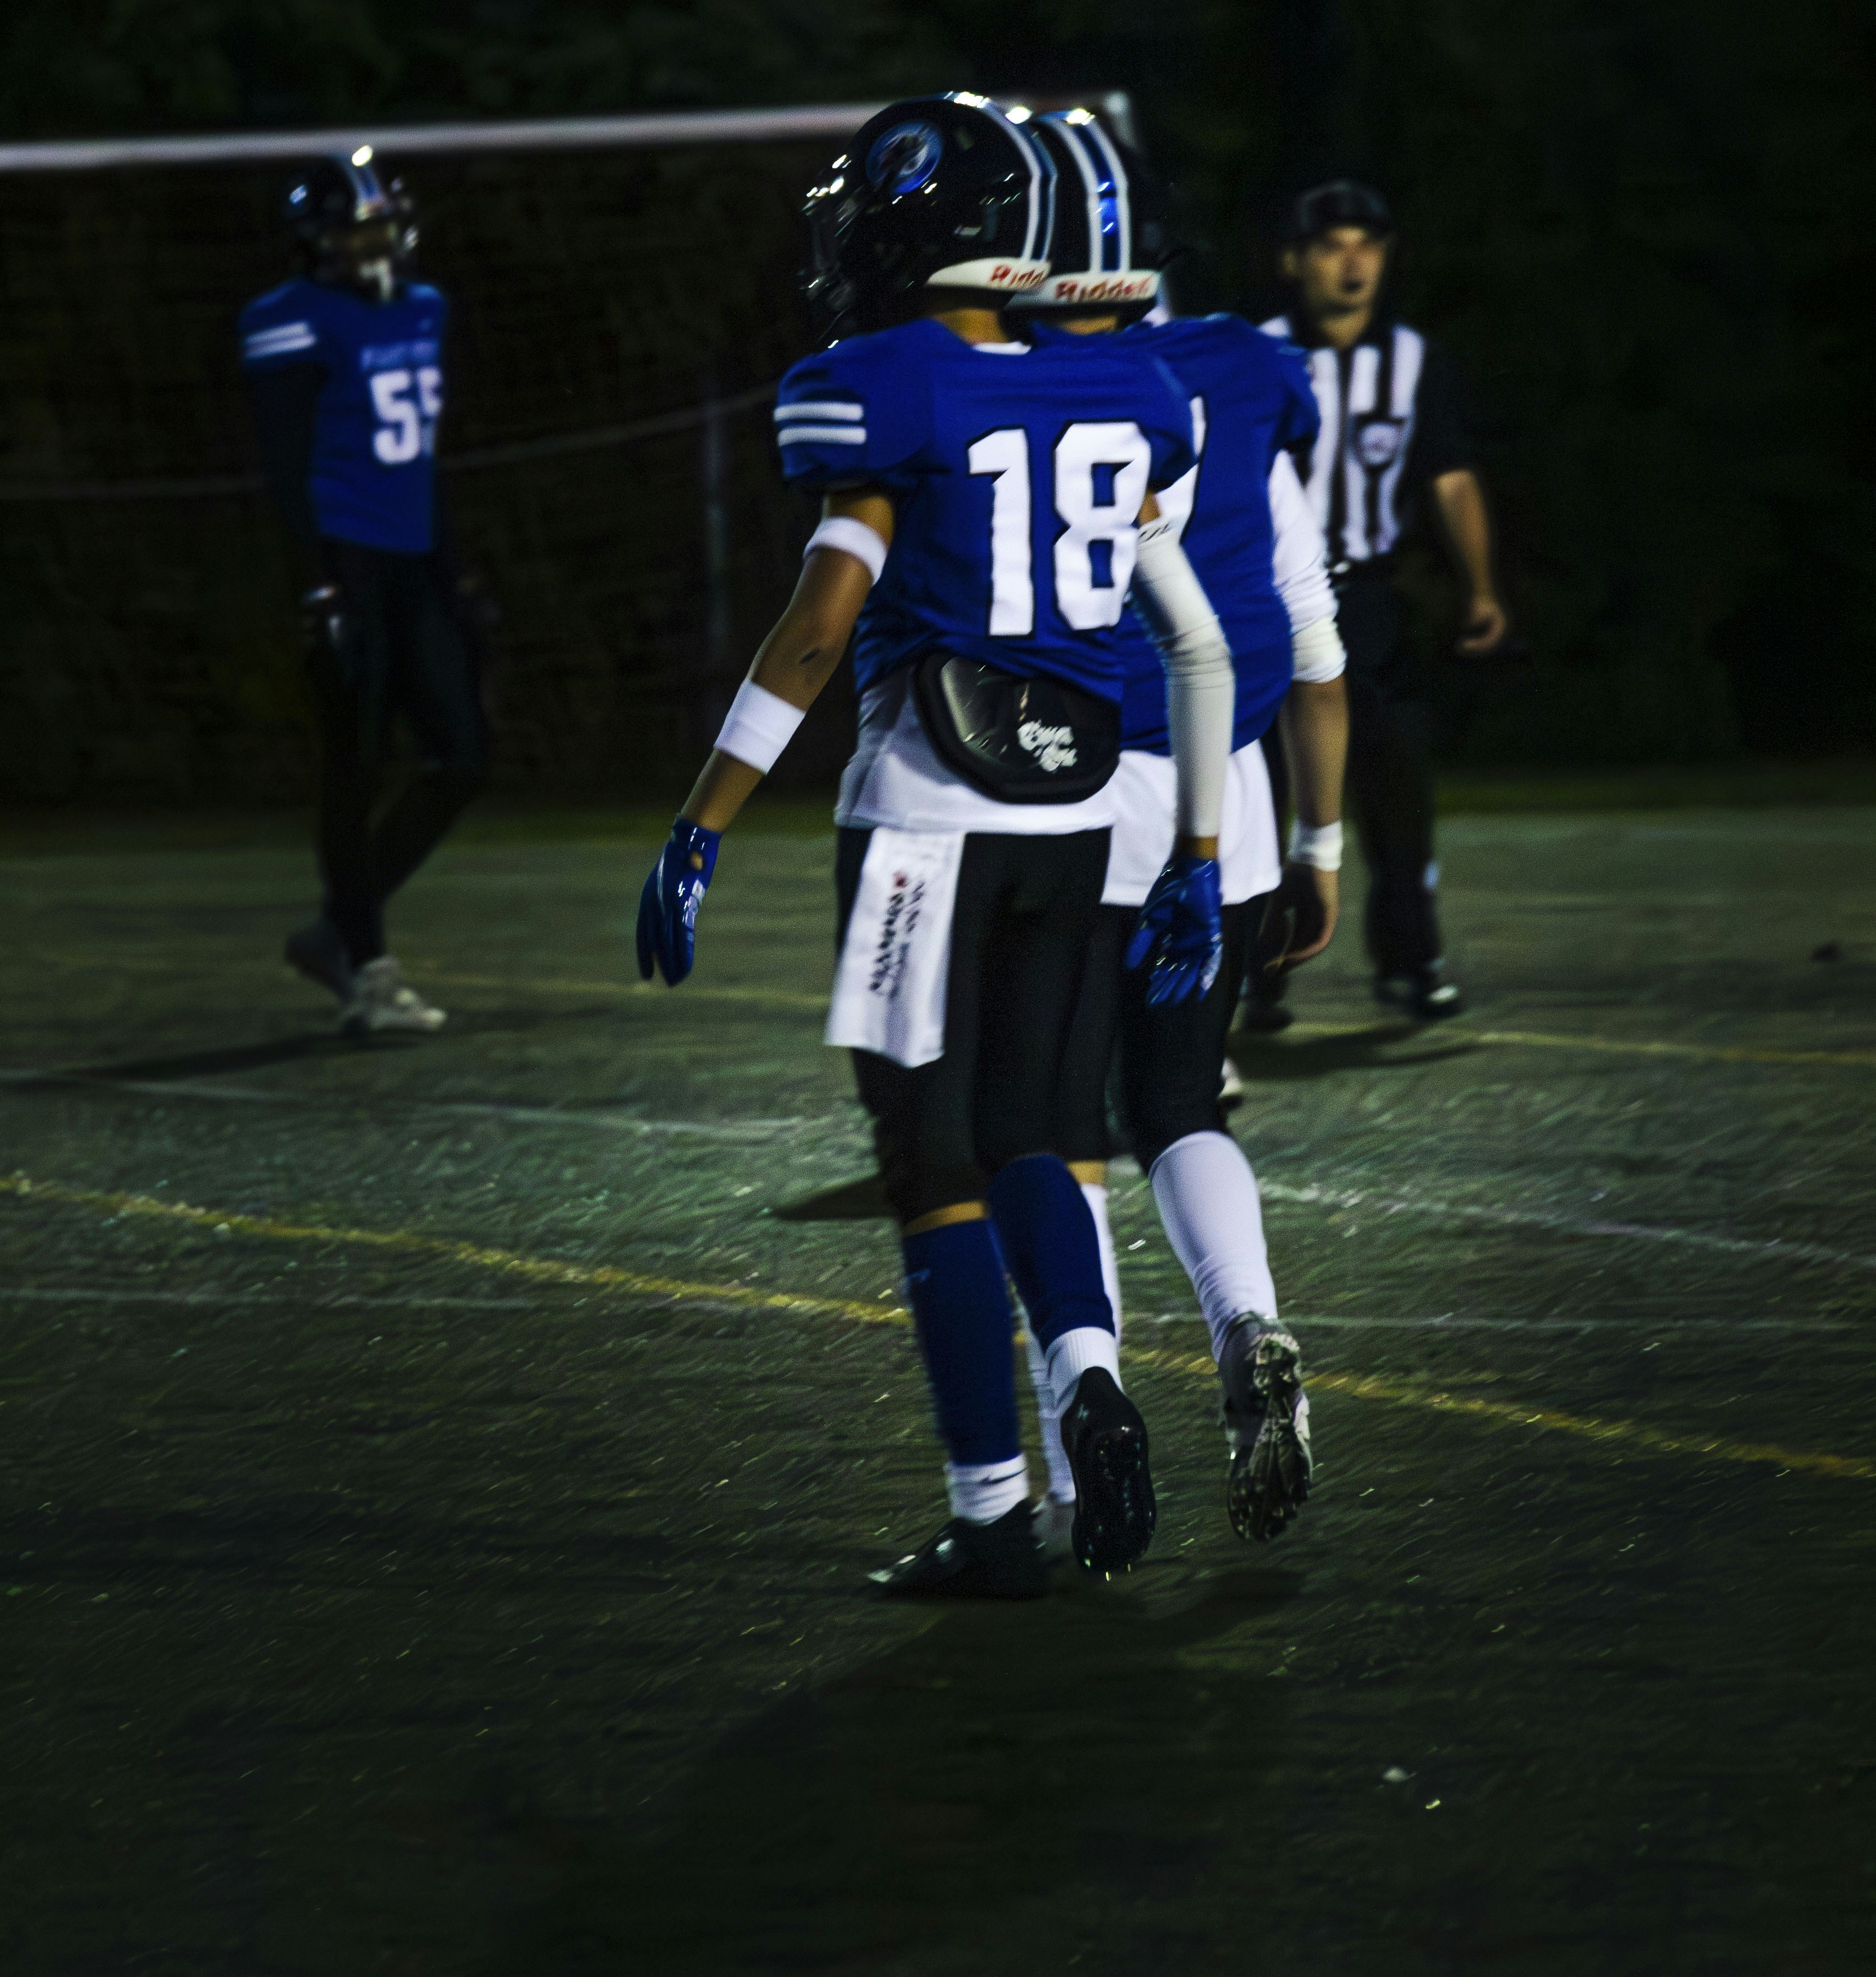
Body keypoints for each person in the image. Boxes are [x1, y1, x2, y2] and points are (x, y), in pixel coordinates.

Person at [634, 93, 1237, 1600]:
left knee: (932, 1164)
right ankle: (1089, 1370)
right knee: (1045, 1131)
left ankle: (989, 1511)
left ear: (912, 226)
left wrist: (702, 823)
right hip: (1087, 818)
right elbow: (1172, 609)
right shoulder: (1139, 390)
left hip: (927, 820)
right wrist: (1206, 853)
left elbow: (820, 628)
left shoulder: (878, 383)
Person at [1011, 110, 1348, 1549]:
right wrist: (1322, 845)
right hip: (1236, 799)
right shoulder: (1251, 368)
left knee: (1043, 1123)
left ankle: (1079, 1433)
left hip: (1063, 787)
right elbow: (1309, 625)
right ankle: (1251, 1321)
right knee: (1181, 1103)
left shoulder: (988, 378)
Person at [240, 151, 490, 1038]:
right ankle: (367, 965)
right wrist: (318, 585)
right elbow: (284, 462)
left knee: (463, 755)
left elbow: (427, 455)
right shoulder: (287, 321)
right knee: (354, 766)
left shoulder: (427, 307)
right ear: (318, 244)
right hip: (346, 558)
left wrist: (452, 570)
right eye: (355, 232)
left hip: (413, 556)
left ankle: (336, 927)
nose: (374, 245)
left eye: (381, 227)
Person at [1262, 178, 1508, 1022]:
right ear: (1293, 261)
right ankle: (1258, 968)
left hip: (1368, 601)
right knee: (1257, 795)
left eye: (1368, 242)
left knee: (1400, 793)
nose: (1354, 259)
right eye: (1334, 243)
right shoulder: (1256, 354)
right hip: (1266, 604)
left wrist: (1479, 586)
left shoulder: (1411, 360)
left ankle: (1412, 956)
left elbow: (1450, 475)